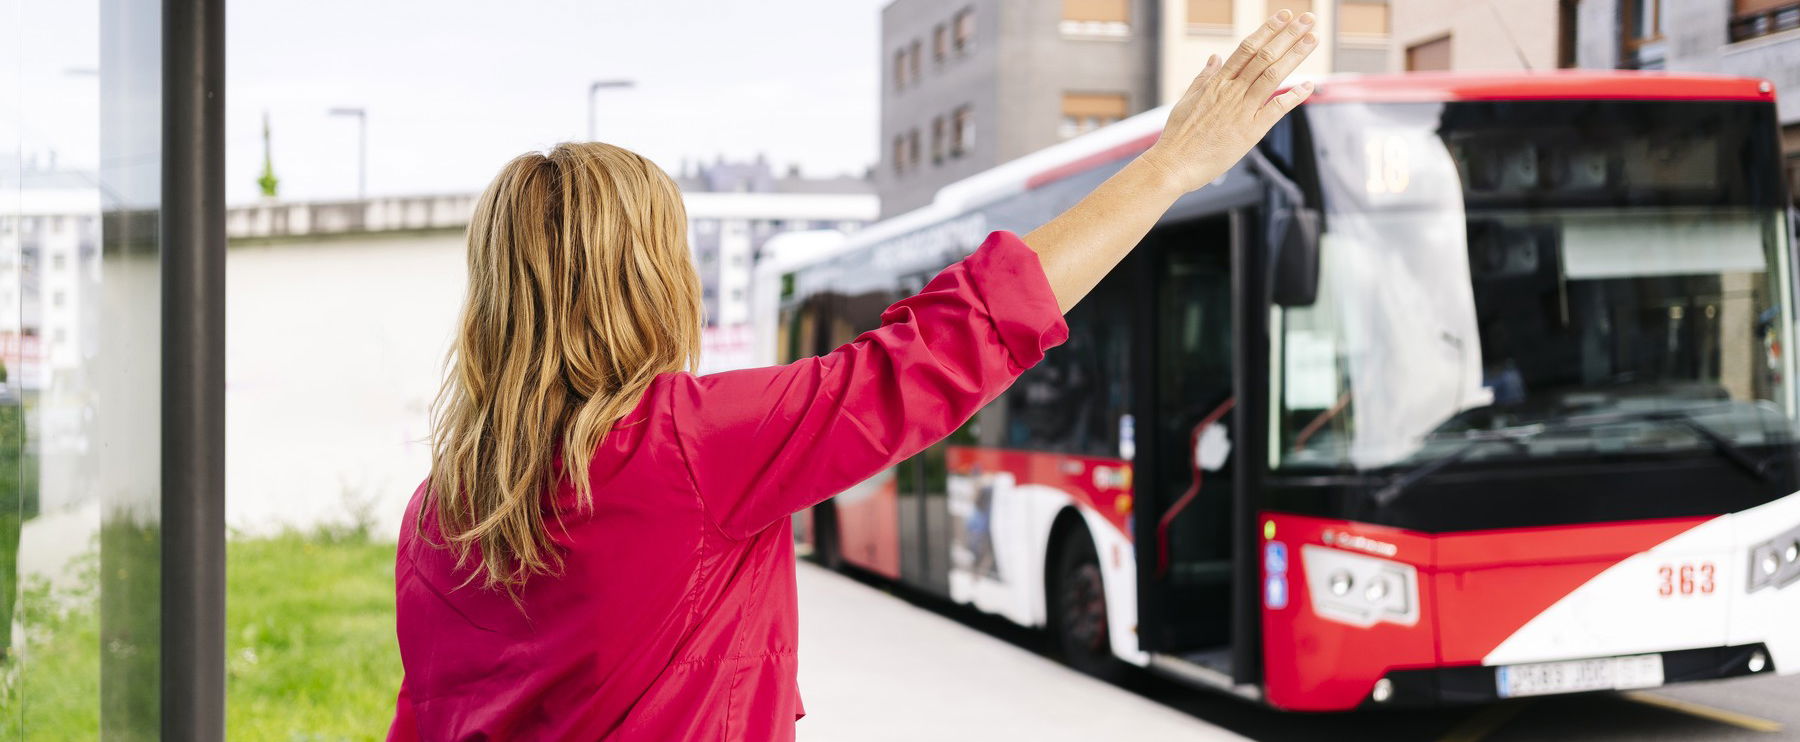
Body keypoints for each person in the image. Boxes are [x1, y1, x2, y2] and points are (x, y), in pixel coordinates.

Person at [389, 11, 1318, 741]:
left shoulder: (436, 514)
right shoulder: (688, 445)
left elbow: (423, 721)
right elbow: (951, 343)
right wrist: (1167, 172)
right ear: (652, 281)